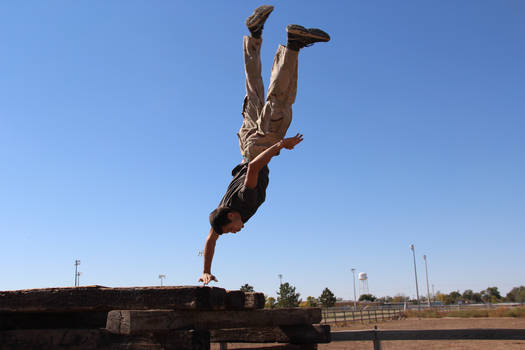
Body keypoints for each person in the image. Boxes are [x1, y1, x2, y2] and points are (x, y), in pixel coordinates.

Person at [199, 5, 330, 285]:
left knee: (279, 101)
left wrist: (280, 145)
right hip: (245, 143)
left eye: (232, 229)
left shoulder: (242, 206)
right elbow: (211, 240)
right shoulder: (220, 212)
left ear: (232, 216)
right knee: (254, 88)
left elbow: (255, 169)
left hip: (259, 147)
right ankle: (254, 34)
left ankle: (293, 44)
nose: (236, 231)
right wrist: (205, 269)